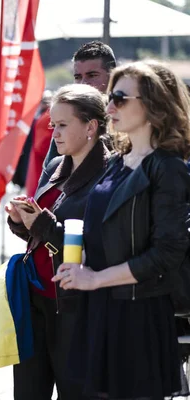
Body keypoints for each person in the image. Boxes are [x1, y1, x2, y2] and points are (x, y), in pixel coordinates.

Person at [53, 60, 190, 399]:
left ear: (153, 104)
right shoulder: (117, 159)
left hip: (137, 316)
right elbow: (104, 229)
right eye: (110, 96)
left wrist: (96, 277)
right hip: (99, 309)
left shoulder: (168, 167)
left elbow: (167, 253)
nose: (109, 105)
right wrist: (81, 257)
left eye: (120, 97)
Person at [6, 84, 110, 399]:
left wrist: (43, 223)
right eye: (53, 125)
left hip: (75, 309)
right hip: (35, 298)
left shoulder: (110, 176)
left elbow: (100, 249)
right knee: (27, 392)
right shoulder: (55, 166)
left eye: (63, 125)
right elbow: (42, 233)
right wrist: (20, 221)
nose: (54, 133)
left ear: (91, 126)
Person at [43, 41, 117, 169]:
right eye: (78, 77)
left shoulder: (126, 115)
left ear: (112, 75)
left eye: (92, 75)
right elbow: (50, 174)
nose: (83, 83)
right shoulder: (68, 114)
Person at [23, 91, 53, 197]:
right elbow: (43, 147)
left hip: (40, 168)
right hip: (42, 170)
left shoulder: (44, 117)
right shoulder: (46, 117)